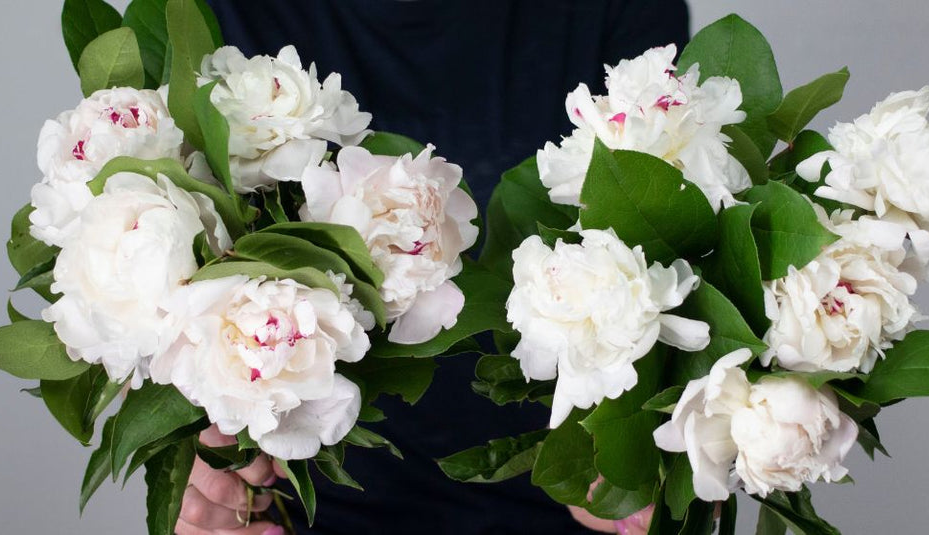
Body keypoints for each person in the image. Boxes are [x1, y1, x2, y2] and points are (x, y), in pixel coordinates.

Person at [176, 2, 690, 534]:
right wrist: (198, 470)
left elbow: (673, 259)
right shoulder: (213, 16)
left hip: (561, 506)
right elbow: (163, 281)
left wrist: (654, 454)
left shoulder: (619, 12)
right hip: (306, 510)